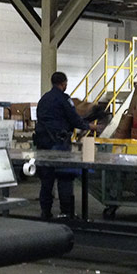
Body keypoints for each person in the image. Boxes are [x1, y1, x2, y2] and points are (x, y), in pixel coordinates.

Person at [34, 71, 98, 220]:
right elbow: (74, 119)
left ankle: (45, 212)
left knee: (46, 180)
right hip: (59, 144)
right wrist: (89, 126)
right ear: (64, 83)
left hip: (43, 144)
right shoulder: (64, 99)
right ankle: (66, 212)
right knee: (65, 177)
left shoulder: (43, 99)